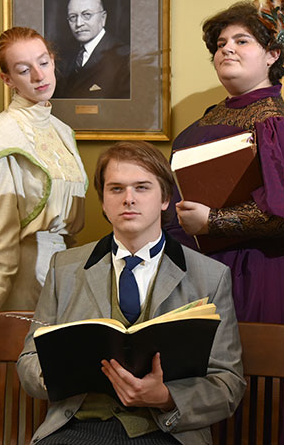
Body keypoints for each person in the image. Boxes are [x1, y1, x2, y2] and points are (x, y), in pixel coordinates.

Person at [166, 0, 284, 445]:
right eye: (220, 44)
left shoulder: (280, 126)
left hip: (264, 275)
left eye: (242, 41)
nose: (227, 49)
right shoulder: (203, 121)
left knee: (261, 396)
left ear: (272, 55)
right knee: (202, 392)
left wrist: (215, 222)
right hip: (199, 274)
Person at [18, 141, 245, 445]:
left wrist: (165, 397)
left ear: (165, 198)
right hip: (76, 429)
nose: (128, 199)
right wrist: (59, 375)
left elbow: (227, 383)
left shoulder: (210, 276)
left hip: (165, 432)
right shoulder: (65, 267)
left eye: (142, 188)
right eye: (116, 189)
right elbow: (29, 359)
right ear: (102, 201)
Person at [0, 27, 88, 444]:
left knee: (49, 396)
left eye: (43, 62)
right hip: (18, 279)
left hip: (60, 274)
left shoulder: (61, 131)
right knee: (8, 396)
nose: (39, 75)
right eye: (24, 69)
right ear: (8, 79)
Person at [55, 0, 131, 99]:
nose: (79, 23)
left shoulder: (125, 57)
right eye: (73, 17)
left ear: (103, 18)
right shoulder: (65, 57)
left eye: (87, 15)